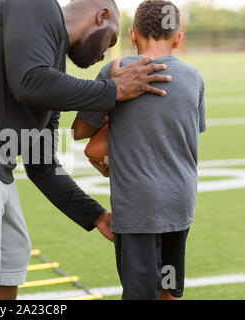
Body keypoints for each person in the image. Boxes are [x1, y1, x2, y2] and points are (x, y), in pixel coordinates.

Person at [0, 0, 171, 300]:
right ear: (101, 15)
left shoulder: (52, 73)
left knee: (11, 254)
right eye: (111, 39)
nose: (105, 53)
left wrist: (96, 216)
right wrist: (112, 91)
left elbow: (42, 166)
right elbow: (29, 81)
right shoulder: (37, 5)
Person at [73, 0, 206, 300]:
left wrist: (113, 114)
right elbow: (182, 130)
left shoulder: (115, 70)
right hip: (179, 204)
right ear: (178, 37)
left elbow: (80, 132)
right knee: (169, 289)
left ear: (132, 36)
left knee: (138, 294)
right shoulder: (194, 77)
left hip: (138, 208)